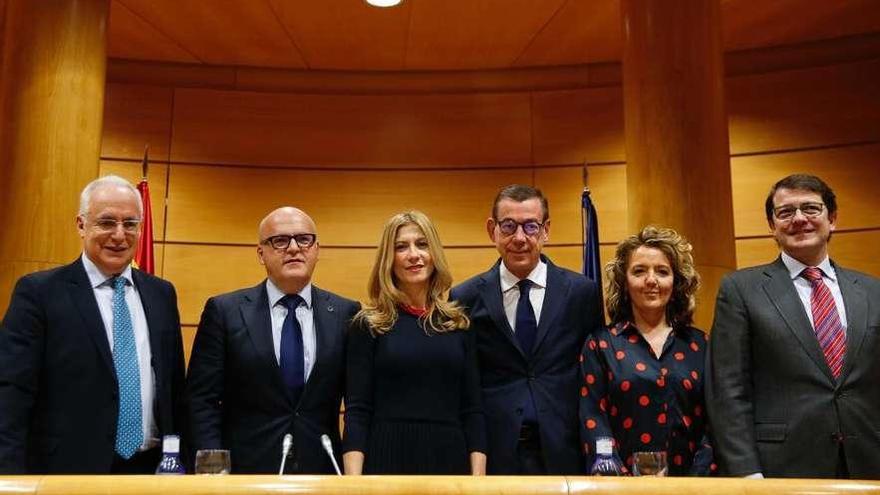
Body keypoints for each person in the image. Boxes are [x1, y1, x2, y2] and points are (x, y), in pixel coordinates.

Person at [0, 175, 185, 474]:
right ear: (81, 225)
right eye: (107, 222)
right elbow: (11, 393)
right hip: (68, 473)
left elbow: (175, 388)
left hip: (151, 471)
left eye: (130, 223)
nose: (119, 235)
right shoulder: (39, 293)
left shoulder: (162, 294)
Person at [706, 174, 880, 479]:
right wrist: (747, 474)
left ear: (833, 219)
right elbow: (728, 390)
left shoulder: (872, 291)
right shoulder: (741, 289)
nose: (799, 219)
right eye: (785, 212)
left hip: (868, 463)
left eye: (811, 208)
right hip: (781, 469)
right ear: (773, 227)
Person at [185, 207, 360, 474]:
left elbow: (357, 404)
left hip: (322, 470)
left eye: (303, 239)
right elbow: (201, 400)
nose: (293, 248)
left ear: (316, 249)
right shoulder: (225, 311)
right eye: (279, 240)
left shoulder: (347, 313)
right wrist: (212, 472)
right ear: (261, 253)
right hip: (244, 474)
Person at [451, 184, 604, 474]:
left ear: (545, 230)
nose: (519, 238)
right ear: (491, 230)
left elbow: (595, 377)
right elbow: (464, 385)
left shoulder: (582, 293)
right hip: (495, 454)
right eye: (508, 226)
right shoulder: (465, 297)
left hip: (564, 450)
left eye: (530, 226)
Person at [343, 211, 486, 475]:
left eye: (422, 244)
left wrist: (478, 481)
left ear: (434, 254)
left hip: (449, 459)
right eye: (401, 247)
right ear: (388, 258)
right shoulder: (368, 325)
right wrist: (354, 484)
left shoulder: (459, 324)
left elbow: (473, 410)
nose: (413, 255)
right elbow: (357, 411)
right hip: (386, 458)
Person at [579, 226, 714, 476]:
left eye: (662, 271)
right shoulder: (601, 344)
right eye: (639, 271)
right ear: (624, 281)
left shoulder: (701, 345)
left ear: (676, 282)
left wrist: (696, 481)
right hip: (620, 488)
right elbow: (593, 419)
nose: (651, 280)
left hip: (693, 488)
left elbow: (715, 422)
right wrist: (622, 480)